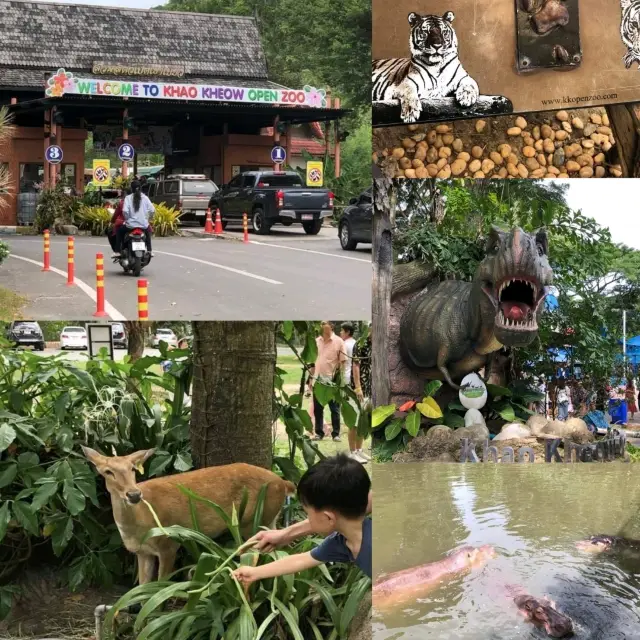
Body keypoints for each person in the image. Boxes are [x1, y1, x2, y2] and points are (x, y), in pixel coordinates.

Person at [233, 454, 372, 586]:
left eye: (308, 514)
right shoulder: (342, 542)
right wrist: (254, 573)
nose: (307, 519)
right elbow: (300, 560)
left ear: (328, 518)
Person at [308, 321, 346, 442]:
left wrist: (339, 381)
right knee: (318, 409)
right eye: (321, 323)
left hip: (331, 381)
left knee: (334, 409)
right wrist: (310, 378)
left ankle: (336, 434)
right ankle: (319, 433)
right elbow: (313, 361)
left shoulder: (339, 341)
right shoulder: (316, 341)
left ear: (331, 326)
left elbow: (342, 362)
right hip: (317, 380)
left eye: (325, 323)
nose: (322, 325)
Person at [114, 180, 155, 256]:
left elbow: (125, 211)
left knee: (119, 231)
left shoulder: (128, 198)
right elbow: (152, 210)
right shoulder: (145, 198)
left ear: (131, 189)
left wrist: (127, 219)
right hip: (143, 225)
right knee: (148, 232)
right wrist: (147, 219)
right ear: (140, 188)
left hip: (130, 225)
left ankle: (117, 251)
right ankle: (149, 250)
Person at [351, 325, 372, 463]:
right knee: (354, 421)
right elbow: (355, 365)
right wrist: (358, 387)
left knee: (364, 421)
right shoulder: (360, 343)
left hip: (370, 388)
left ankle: (359, 450)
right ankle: (352, 452)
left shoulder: (375, 344)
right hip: (360, 388)